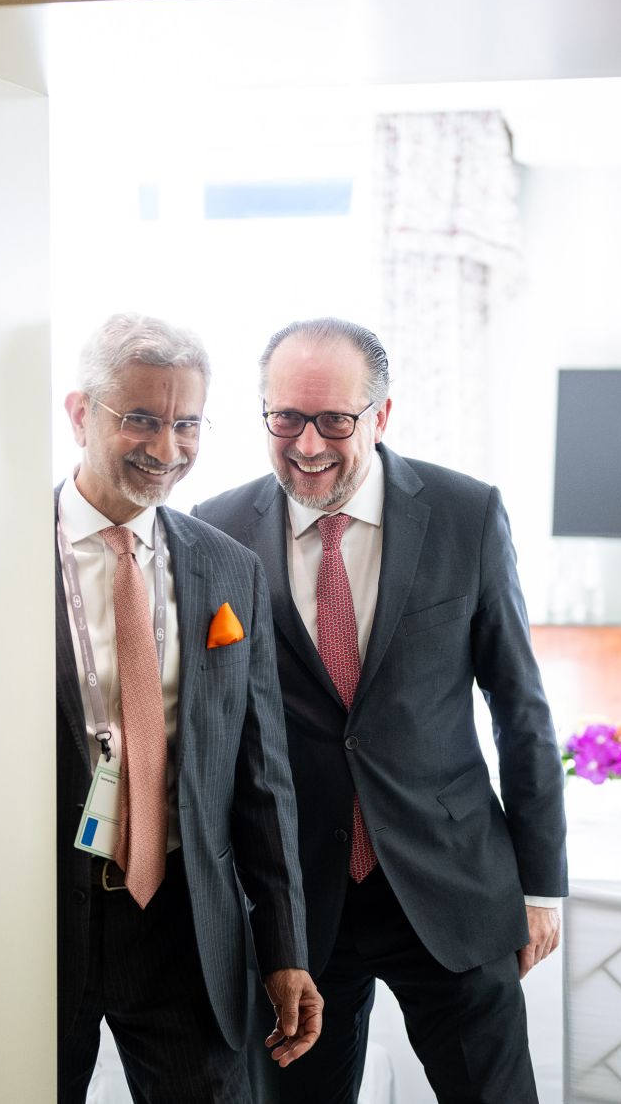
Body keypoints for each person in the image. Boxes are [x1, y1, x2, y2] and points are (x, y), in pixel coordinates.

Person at [192, 318, 567, 1103]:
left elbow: (520, 708)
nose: (307, 442)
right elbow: (208, 730)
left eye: (335, 419)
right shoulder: (214, 530)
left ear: (382, 416)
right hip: (294, 907)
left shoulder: (468, 514)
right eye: (286, 416)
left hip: (448, 887)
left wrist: (541, 885)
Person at [55, 313, 321, 1103]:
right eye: (139, 418)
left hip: (185, 920)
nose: (166, 448)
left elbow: (263, 777)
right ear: (80, 414)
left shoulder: (228, 568)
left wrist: (285, 947)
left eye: (186, 423)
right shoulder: (2, 550)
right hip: (35, 921)